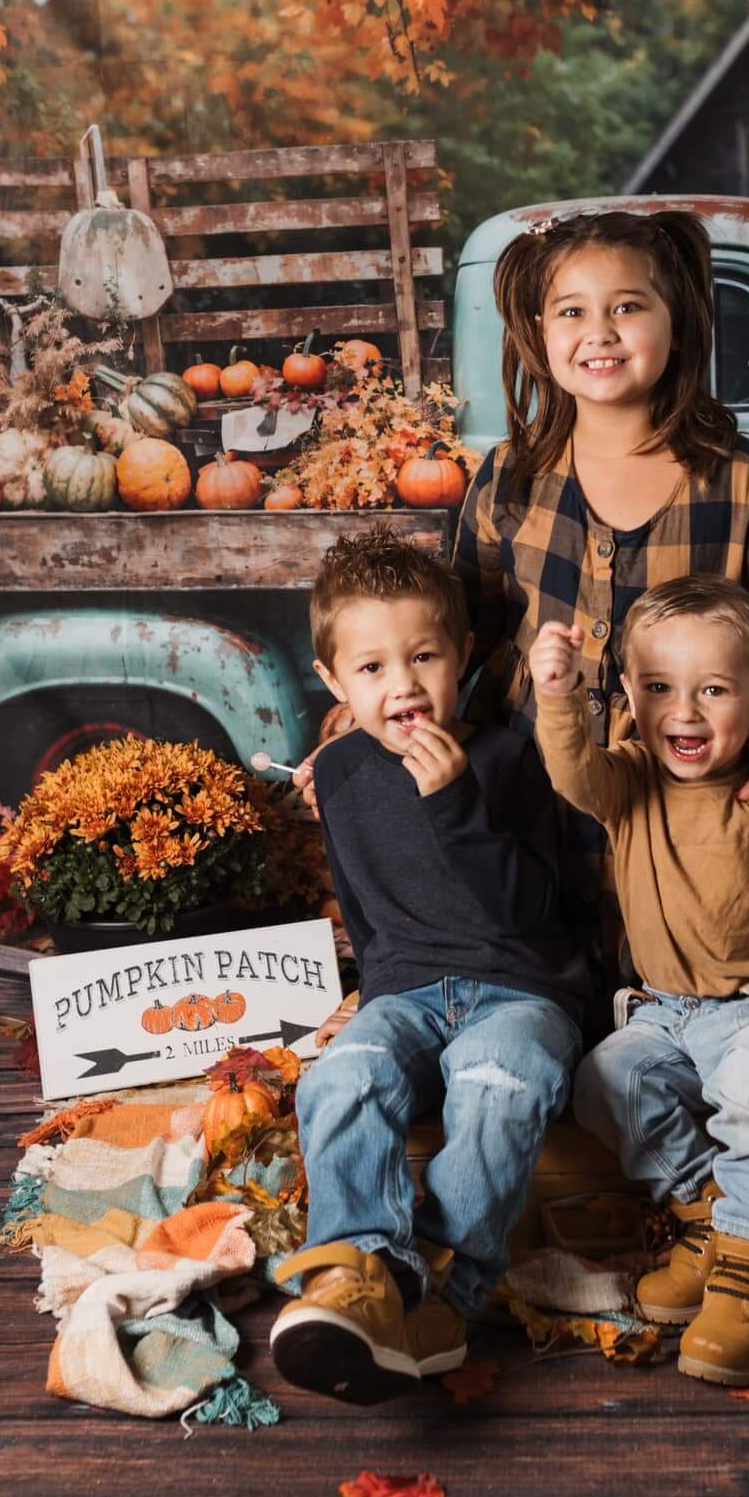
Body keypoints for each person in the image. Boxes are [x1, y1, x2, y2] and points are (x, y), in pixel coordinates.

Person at [451, 206, 749, 1003]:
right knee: (559, 1011)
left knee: (687, 1015)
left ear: (676, 323)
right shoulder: (510, 480)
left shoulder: (739, 484)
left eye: (628, 307)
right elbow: (463, 633)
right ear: (538, 333)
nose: (599, 332)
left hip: (692, 825)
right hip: (544, 803)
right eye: (572, 311)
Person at [272, 527, 588, 1405]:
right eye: (370, 669)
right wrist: (374, 1005)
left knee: (500, 1081)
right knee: (342, 1078)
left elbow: (528, 911)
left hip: (521, 989)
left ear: (465, 658)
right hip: (407, 990)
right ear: (333, 682)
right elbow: (367, 911)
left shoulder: (504, 759)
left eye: (423, 658)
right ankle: (361, 1273)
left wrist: (454, 806)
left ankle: (446, 1294)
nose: (402, 686)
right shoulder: (335, 773)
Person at [529, 575, 749, 1388]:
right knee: (604, 1080)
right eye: (662, 689)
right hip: (667, 1012)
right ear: (631, 695)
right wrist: (558, 695)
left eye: (713, 691)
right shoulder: (627, 779)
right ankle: (708, 1220)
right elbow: (571, 778)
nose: (687, 714)